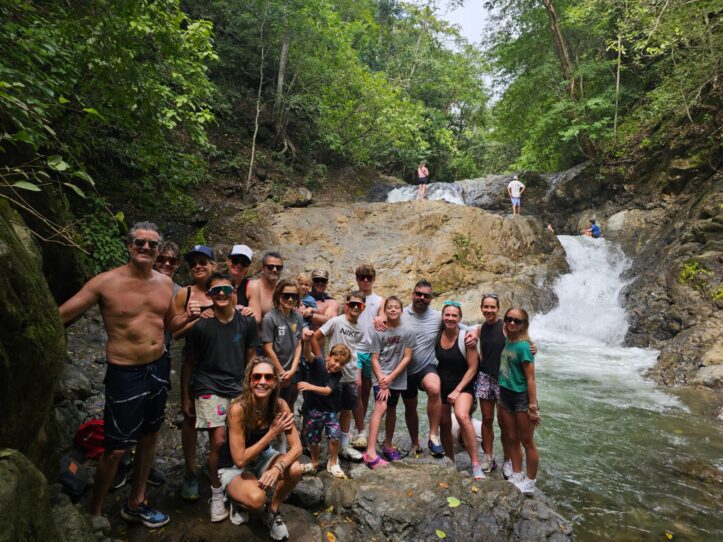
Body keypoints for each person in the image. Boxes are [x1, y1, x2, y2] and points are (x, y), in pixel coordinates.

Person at [59, 222, 200, 527]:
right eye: (140, 243)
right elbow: (62, 315)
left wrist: (187, 317)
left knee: (150, 435)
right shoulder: (105, 283)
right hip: (125, 372)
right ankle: (94, 512)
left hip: (159, 366)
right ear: (129, 246)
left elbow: (170, 326)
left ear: (158, 249)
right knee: (116, 447)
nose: (146, 248)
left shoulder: (164, 284)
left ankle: (136, 501)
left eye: (152, 244)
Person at [182, 272, 259, 521]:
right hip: (208, 386)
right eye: (216, 291)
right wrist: (185, 396)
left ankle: (235, 491)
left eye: (226, 289)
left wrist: (251, 390)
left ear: (234, 290)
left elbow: (251, 357)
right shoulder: (202, 326)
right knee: (218, 440)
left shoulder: (246, 321)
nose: (222, 294)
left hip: (237, 386)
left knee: (239, 441)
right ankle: (216, 494)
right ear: (209, 295)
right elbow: (188, 364)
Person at [112, 241, 182, 491]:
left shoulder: (178, 291)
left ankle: (143, 466)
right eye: (162, 258)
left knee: (152, 420)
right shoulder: (135, 283)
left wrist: (202, 315)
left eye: (172, 261)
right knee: (127, 417)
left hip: (161, 359)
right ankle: (120, 464)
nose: (166, 264)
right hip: (131, 363)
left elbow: (177, 327)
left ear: (178, 265)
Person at [218, 358, 303, 540]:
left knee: (295, 468)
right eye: (257, 377)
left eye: (268, 377)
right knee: (257, 499)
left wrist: (277, 468)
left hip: (262, 458)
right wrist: (271, 434)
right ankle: (237, 500)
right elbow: (240, 459)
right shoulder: (238, 409)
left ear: (274, 383)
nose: (262, 382)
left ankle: (272, 511)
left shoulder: (280, 406)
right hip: (234, 466)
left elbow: (297, 448)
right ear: (249, 381)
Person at [173, 244, 217, 502]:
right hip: (192, 362)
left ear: (213, 265)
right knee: (189, 417)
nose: (198, 266)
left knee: (216, 422)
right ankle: (191, 471)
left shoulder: (222, 290)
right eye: (194, 263)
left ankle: (215, 471)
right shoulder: (184, 293)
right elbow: (175, 332)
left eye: (204, 261)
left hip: (218, 366)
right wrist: (196, 319)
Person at [311, 291, 366, 462]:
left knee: (347, 410)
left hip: (349, 376)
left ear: (363, 308)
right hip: (334, 373)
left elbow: (356, 352)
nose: (355, 307)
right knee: (328, 409)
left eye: (359, 305)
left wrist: (358, 373)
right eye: (352, 304)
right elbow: (315, 337)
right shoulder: (336, 321)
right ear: (346, 304)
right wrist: (321, 360)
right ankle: (316, 443)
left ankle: (343, 445)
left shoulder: (360, 329)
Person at [362, 296, 413, 469]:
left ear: (401, 310)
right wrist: (383, 380)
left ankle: (388, 445)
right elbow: (374, 358)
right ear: (385, 311)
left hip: (396, 376)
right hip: (380, 375)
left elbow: (407, 358)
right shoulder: (379, 331)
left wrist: (391, 378)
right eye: (389, 307)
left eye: (396, 307)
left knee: (392, 408)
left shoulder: (407, 331)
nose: (392, 310)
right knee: (381, 407)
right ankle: (370, 452)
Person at [435, 301, 483, 479]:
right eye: (447, 315)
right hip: (443, 383)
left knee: (462, 416)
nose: (450, 318)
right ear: (442, 316)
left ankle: (475, 464)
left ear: (460, 318)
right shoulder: (437, 334)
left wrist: (457, 390)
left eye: (454, 315)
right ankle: (450, 460)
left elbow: (473, 368)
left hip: (464, 384)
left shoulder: (466, 338)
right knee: (445, 423)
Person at [497, 308, 540, 496]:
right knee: (512, 437)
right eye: (509, 319)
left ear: (524, 325)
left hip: (521, 397)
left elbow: (531, 378)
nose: (512, 323)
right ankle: (516, 472)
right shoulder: (509, 340)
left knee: (527, 441)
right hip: (505, 393)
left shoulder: (524, 347)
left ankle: (530, 481)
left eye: (517, 321)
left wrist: (532, 406)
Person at [297, 342, 352, 478]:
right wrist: (307, 340)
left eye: (342, 364)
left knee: (334, 436)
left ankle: (333, 462)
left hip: (329, 410)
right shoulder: (318, 362)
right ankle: (314, 463)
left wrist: (310, 387)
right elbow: (308, 354)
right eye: (336, 360)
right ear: (329, 356)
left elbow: (327, 391)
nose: (338, 365)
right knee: (313, 440)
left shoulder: (337, 374)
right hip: (312, 410)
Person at [351, 263, 385, 450]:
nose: (365, 280)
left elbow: (383, 317)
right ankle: (359, 428)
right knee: (356, 387)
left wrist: (382, 318)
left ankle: (360, 427)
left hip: (372, 352)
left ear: (373, 280)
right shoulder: (352, 298)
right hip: (355, 348)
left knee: (366, 391)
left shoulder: (379, 300)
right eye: (362, 277)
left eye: (369, 277)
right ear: (357, 279)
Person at [262, 279, 304, 411]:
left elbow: (298, 344)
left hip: (292, 370)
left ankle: (287, 429)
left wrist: (292, 369)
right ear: (278, 295)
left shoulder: (298, 317)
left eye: (294, 296)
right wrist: (281, 372)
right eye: (286, 295)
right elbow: (268, 348)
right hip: (276, 370)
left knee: (290, 401)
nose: (290, 299)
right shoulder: (270, 318)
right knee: (274, 404)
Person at [248, 251, 285, 329]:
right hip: (256, 339)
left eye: (278, 267)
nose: (275, 270)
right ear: (262, 268)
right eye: (270, 267)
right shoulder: (253, 286)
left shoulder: (281, 291)